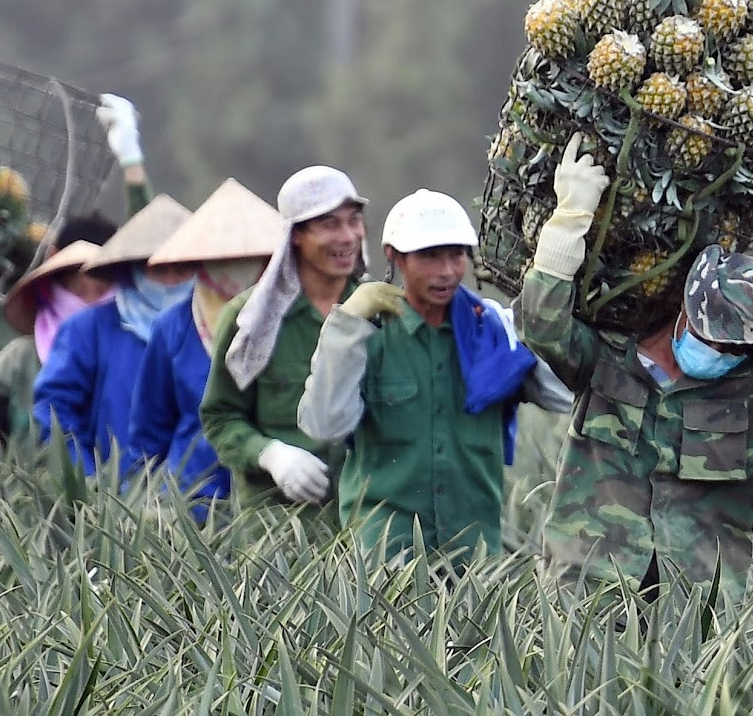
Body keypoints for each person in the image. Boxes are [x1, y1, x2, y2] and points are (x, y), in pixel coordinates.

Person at [512, 135, 753, 598]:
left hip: (696, 606)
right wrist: (567, 223)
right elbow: (542, 325)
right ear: (685, 314)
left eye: (737, 346)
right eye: (715, 339)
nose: (726, 353)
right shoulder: (608, 360)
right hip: (588, 589)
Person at [298, 190, 562, 560]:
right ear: (394, 256)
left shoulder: (492, 333)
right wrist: (344, 328)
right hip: (385, 555)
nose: (447, 271)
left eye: (456, 255)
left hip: (475, 553)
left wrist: (537, 319)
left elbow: (563, 397)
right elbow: (325, 425)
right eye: (429, 256)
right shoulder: (365, 336)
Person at [0, 93, 153, 438]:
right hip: (2, 468)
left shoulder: (126, 325)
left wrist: (131, 159)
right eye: (78, 285)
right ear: (56, 261)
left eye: (101, 288)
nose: (88, 299)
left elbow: (150, 246)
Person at [198, 166, 369, 519]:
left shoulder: (377, 313)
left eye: (354, 221)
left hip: (366, 527)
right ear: (296, 235)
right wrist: (269, 454)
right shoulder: (251, 321)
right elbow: (220, 416)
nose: (348, 236)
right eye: (330, 224)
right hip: (278, 533)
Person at [127, 179, 282, 518]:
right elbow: (149, 429)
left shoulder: (290, 321)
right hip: (192, 501)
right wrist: (145, 499)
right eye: (220, 260)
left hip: (275, 501)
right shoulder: (175, 327)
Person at [32, 195, 193, 476]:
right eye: (157, 268)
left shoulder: (214, 328)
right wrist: (88, 484)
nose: (169, 281)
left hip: (202, 497)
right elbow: (56, 410)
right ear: (133, 269)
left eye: (181, 269)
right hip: (108, 493)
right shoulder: (88, 329)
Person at [0, 217, 117, 447]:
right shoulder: (19, 359)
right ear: (53, 290)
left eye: (102, 291)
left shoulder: (134, 354)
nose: (88, 302)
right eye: (77, 290)